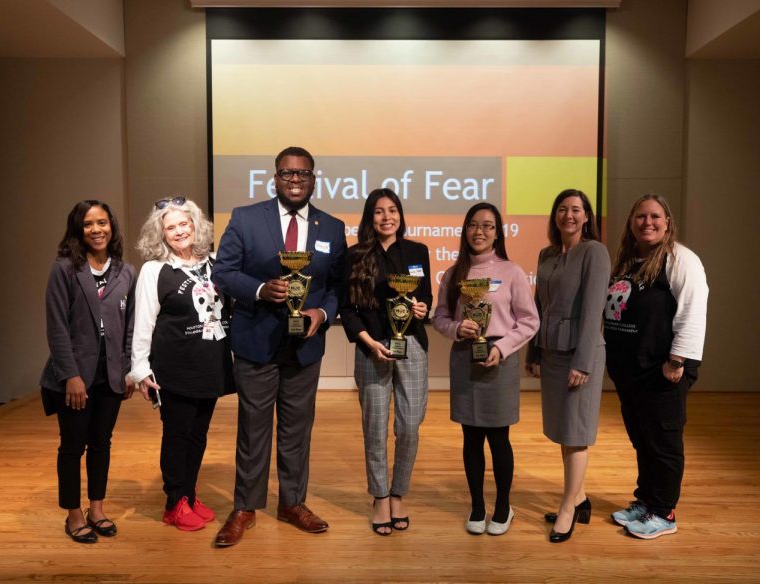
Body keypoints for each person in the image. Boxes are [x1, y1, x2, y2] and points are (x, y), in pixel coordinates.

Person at [211, 146, 346, 547]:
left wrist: (322, 315)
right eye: (287, 174)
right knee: (253, 430)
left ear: (313, 179)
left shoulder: (332, 227)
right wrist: (258, 289)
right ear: (275, 177)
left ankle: (292, 503)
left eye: (303, 174)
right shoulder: (246, 217)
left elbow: (337, 287)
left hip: (305, 345)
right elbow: (223, 273)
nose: (295, 181)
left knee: (297, 429)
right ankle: (245, 508)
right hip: (256, 341)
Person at [603, 194, 708, 539]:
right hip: (630, 371)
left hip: (663, 369)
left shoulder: (681, 259)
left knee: (663, 441)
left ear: (667, 222)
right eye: (640, 217)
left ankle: (664, 512)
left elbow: (693, 312)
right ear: (631, 223)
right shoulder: (630, 260)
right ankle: (645, 501)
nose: (647, 223)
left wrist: (677, 360)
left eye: (655, 217)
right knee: (642, 439)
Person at [128, 196, 235, 532]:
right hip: (174, 368)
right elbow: (143, 321)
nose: (178, 231)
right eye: (170, 227)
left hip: (211, 364)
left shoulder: (215, 262)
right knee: (177, 435)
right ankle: (174, 503)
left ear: (195, 225)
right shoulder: (154, 270)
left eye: (183, 223)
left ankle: (189, 494)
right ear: (160, 234)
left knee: (198, 435)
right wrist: (140, 368)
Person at [432, 202, 539, 536]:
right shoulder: (453, 274)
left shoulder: (511, 272)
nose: (480, 232)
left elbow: (530, 320)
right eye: (474, 225)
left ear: (497, 233)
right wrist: (455, 329)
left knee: (498, 437)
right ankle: (477, 506)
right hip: (465, 358)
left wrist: (502, 347)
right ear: (465, 230)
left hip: (499, 360)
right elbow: (440, 317)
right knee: (470, 436)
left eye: (488, 226)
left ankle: (504, 507)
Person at [40, 200, 137, 544]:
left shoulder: (126, 271)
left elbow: (129, 328)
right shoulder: (64, 269)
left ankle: (97, 508)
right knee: (72, 446)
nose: (97, 230)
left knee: (101, 444)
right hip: (74, 378)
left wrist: (127, 370)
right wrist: (71, 375)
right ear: (78, 230)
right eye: (88, 224)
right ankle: (74, 514)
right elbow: (57, 328)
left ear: (112, 226)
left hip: (110, 375)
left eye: (102, 223)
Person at [340, 189, 432, 536]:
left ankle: (399, 492)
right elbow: (347, 309)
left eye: (392, 210)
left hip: (412, 346)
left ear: (400, 215)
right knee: (375, 429)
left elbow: (424, 297)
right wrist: (367, 342)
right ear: (370, 217)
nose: (386, 217)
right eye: (378, 212)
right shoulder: (355, 256)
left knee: (409, 426)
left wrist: (422, 308)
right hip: (372, 347)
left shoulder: (417, 251)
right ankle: (380, 496)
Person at [524, 190, 610, 543]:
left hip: (580, 354)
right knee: (564, 431)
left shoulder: (595, 252)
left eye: (576, 209)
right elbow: (538, 306)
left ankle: (567, 509)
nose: (568, 215)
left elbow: (593, 312)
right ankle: (581, 497)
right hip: (551, 350)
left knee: (577, 434)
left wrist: (583, 362)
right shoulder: (546, 253)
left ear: (587, 216)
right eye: (562, 209)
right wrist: (533, 351)